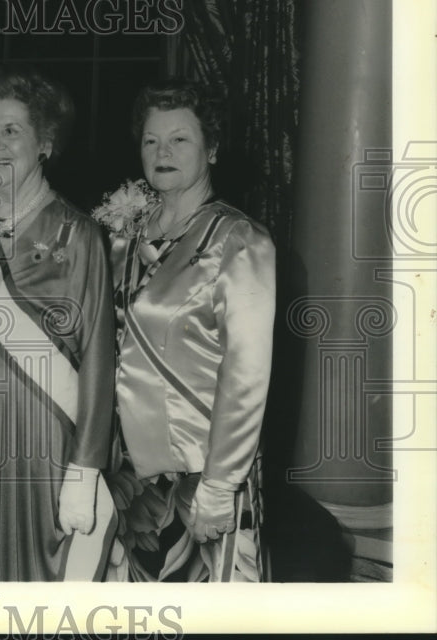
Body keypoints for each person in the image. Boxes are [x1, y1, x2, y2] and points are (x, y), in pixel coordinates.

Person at [0, 66, 117, 582]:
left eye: (11, 131)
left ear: (46, 142)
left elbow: (99, 355)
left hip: (39, 425)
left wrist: (84, 468)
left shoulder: (76, 232)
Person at [102, 80, 275, 582]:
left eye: (180, 140)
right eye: (151, 140)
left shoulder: (239, 239)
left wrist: (221, 485)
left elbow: (247, 373)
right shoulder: (124, 235)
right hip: (130, 478)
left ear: (212, 149)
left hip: (202, 471)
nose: (162, 152)